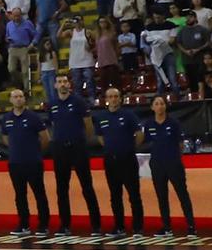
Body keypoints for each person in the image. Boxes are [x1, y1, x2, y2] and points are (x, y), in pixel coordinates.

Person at [44, 73, 102, 236]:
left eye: (64, 81)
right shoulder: (52, 105)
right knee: (61, 189)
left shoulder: (78, 102)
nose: (62, 84)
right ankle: (65, 225)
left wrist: (80, 140)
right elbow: (52, 124)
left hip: (78, 148)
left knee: (87, 187)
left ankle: (96, 225)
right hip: (60, 150)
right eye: (59, 82)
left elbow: (89, 126)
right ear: (55, 86)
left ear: (69, 85)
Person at [141, 94, 196, 236]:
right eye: (157, 104)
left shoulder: (173, 123)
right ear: (152, 107)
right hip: (157, 164)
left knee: (182, 193)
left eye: (162, 103)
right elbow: (145, 142)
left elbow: (181, 144)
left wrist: (176, 159)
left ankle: (191, 226)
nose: (160, 106)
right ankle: (166, 227)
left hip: (173, 163)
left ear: (166, 106)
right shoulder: (149, 124)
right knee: (161, 195)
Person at [93, 85, 144, 236]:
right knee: (115, 195)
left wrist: (129, 148)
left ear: (120, 99)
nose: (113, 99)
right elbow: (100, 137)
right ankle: (119, 227)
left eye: (116, 96)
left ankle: (138, 227)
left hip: (127, 159)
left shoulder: (128, 115)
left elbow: (139, 134)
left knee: (134, 194)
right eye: (110, 97)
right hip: (110, 161)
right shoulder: (101, 117)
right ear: (106, 100)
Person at [0, 88, 50, 236]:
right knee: (20, 195)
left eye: (21, 96)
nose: (18, 99)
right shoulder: (6, 118)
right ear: (10, 100)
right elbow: (5, 137)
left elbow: (45, 138)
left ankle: (43, 225)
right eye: (15, 97)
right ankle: (23, 224)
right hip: (15, 163)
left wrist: (34, 151)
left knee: (39, 193)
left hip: (33, 162)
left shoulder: (33, 117)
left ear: (24, 99)